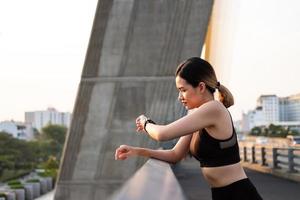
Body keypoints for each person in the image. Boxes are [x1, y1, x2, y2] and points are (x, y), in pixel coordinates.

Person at [115, 57, 263, 200]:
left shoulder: (214, 109)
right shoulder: (197, 114)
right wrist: (138, 151)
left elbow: (163, 134)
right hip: (221, 194)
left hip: (240, 193)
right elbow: (175, 154)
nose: (180, 97)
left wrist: (145, 122)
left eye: (183, 90)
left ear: (201, 87)